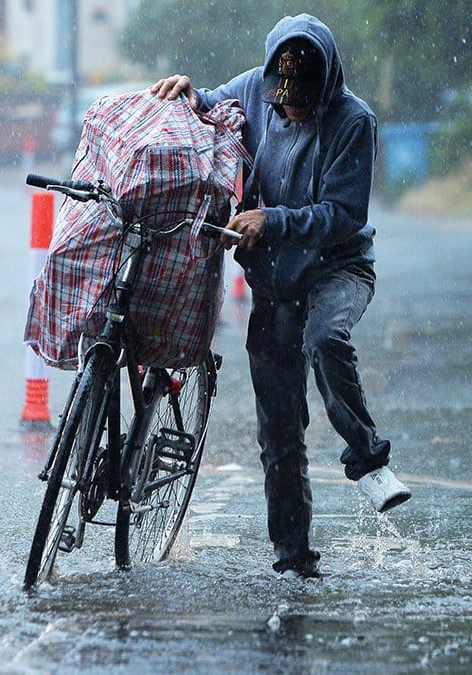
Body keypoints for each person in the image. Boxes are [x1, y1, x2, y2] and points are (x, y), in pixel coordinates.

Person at [151, 13, 410, 580]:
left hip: (337, 268)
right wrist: (189, 94)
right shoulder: (255, 88)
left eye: (302, 102)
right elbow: (215, 104)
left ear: (326, 86)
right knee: (280, 435)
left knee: (325, 336)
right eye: (283, 100)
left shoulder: (353, 121)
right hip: (273, 280)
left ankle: (367, 459)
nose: (290, 110)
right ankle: (294, 560)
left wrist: (274, 221)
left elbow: (343, 215)